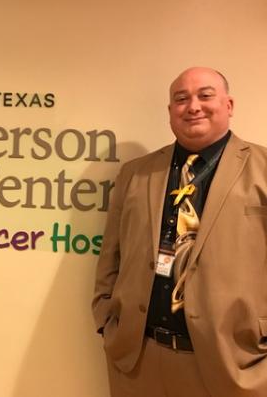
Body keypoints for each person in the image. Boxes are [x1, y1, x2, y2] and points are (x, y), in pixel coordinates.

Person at [92, 67, 267, 397]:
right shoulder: (136, 173)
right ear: (170, 111)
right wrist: (106, 321)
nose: (193, 106)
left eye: (205, 95)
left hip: (234, 365)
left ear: (228, 104)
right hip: (139, 359)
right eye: (181, 98)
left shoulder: (263, 168)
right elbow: (110, 255)